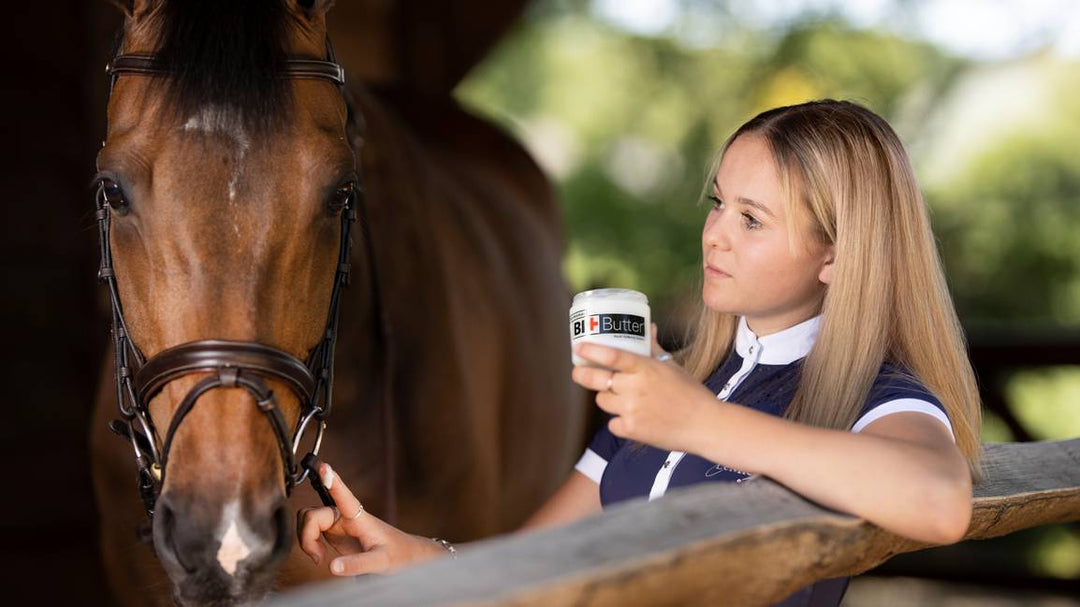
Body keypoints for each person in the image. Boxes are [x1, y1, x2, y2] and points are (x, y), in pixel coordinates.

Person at [297, 100, 981, 606]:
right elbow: (541, 556)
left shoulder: (876, 394)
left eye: (752, 218)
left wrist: (699, 423)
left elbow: (941, 499)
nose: (714, 235)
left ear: (836, 253)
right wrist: (413, 555)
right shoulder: (674, 383)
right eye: (718, 203)